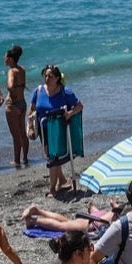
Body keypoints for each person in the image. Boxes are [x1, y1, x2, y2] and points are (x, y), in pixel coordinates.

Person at [31, 65, 82, 197]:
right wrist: (30, 126)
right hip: (43, 129)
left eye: (50, 76)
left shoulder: (65, 92)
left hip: (58, 129)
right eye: (45, 76)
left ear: (57, 78)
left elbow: (79, 106)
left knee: (53, 158)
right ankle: (63, 181)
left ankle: (52, 189)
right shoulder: (38, 91)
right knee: (50, 155)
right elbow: (31, 111)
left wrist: (70, 113)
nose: (47, 78)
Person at [4, 46, 30, 169]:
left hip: (13, 104)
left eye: (6, 57)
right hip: (22, 103)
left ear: (10, 59)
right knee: (22, 133)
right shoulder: (22, 69)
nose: (4, 59)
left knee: (15, 135)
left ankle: (16, 160)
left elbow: (10, 86)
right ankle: (24, 158)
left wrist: (13, 95)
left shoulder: (11, 71)